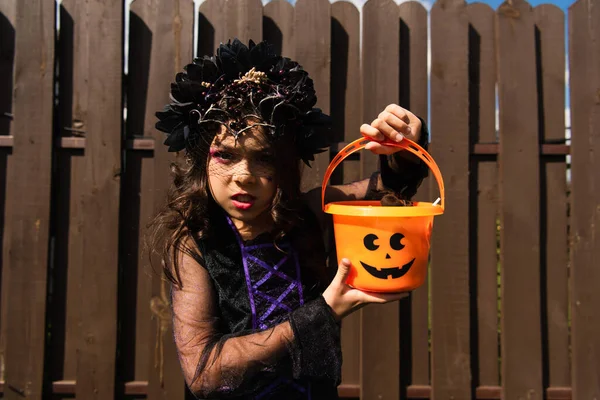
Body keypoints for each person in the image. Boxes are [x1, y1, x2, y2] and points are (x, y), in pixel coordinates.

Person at [151, 39, 429, 399]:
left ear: (285, 164)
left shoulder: (309, 214)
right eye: (226, 155)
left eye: (264, 157)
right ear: (203, 156)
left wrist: (403, 147)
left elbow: (389, 189)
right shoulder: (196, 242)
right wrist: (322, 312)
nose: (244, 175)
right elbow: (203, 371)